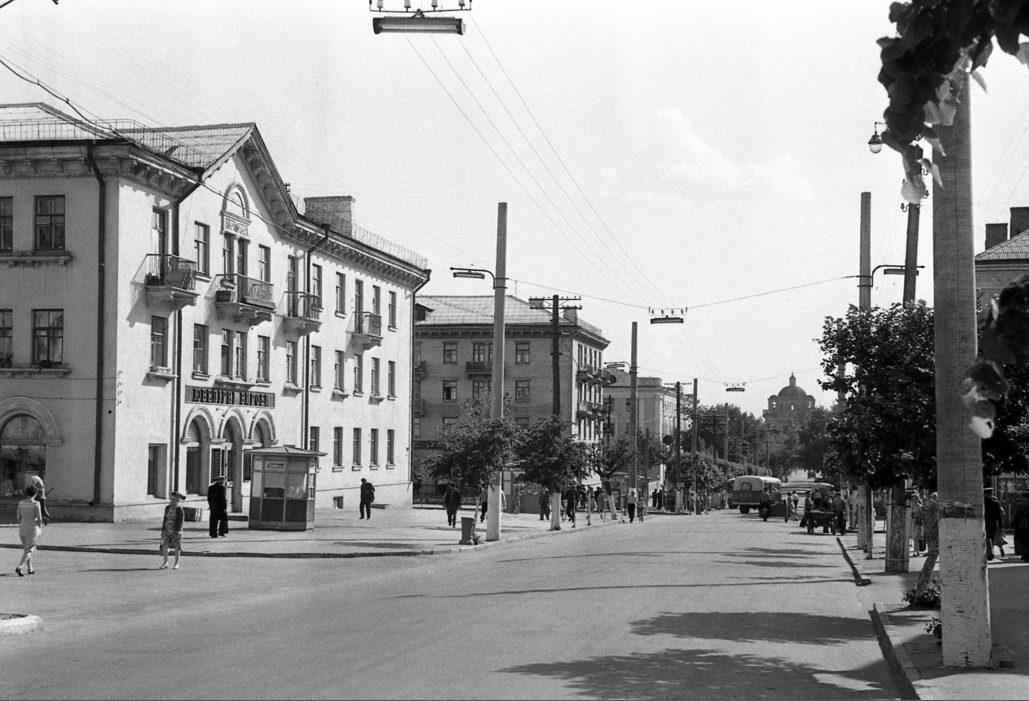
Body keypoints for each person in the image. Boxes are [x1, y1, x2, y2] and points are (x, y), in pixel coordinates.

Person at [15, 485, 43, 576]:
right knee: (29, 550)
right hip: (32, 529)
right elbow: (39, 518)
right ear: (35, 493)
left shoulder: (21, 503)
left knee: (26, 549)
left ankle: (30, 568)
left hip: (22, 528)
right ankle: (20, 566)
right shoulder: (36, 503)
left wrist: (23, 523)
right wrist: (40, 528)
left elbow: (18, 517)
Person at [159, 491, 185, 570]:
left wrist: (177, 530)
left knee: (177, 547)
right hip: (167, 529)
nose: (171, 501)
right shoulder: (167, 508)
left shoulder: (179, 509)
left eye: (173, 499)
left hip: (176, 530)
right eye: (171, 499)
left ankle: (176, 563)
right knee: (165, 545)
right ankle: (165, 562)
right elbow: (165, 518)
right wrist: (163, 529)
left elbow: (181, 521)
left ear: (177, 500)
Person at [984, 487, 1005, 561]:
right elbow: (999, 517)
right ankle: (990, 552)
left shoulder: (982, 503)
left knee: (984, 538)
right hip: (992, 524)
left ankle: (985, 553)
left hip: (983, 523)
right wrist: (1001, 526)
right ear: (991, 493)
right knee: (991, 539)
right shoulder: (995, 503)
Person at [1011, 490, 1029, 562]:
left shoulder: (1019, 504)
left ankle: (1025, 554)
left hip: (1022, 526)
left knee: (1023, 540)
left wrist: (1012, 523)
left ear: (1023, 497)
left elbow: (1015, 515)